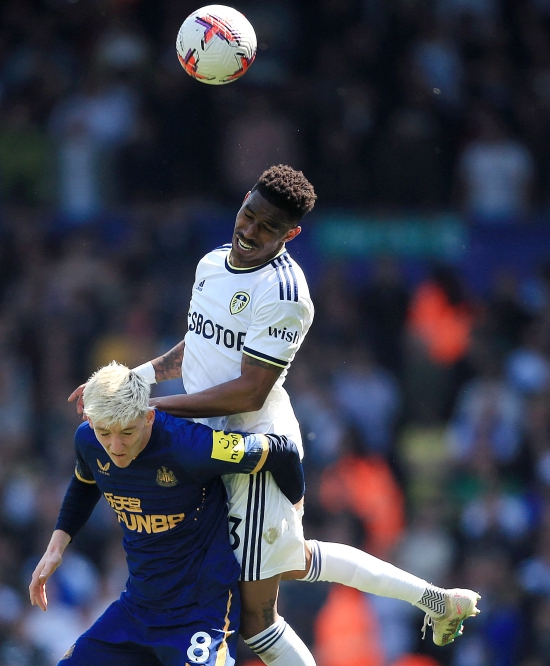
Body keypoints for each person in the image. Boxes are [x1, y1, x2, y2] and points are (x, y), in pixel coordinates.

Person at [71, 165, 480, 665]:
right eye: (248, 215)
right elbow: (194, 347)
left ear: (292, 234)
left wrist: (146, 407)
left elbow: (249, 391)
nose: (248, 231)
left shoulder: (286, 294)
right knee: (293, 561)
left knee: (257, 620)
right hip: (205, 444)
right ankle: (438, 601)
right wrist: (135, 380)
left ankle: (438, 600)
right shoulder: (212, 263)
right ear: (242, 200)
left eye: (267, 227)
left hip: (251, 452)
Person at [30, 362, 306, 666]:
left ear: (148, 416)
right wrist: (56, 547)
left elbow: (283, 452)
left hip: (201, 614)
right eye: (104, 432)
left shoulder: (189, 446)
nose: (115, 445)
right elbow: (85, 483)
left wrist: (296, 509)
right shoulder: (88, 441)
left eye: (127, 431)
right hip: (136, 610)